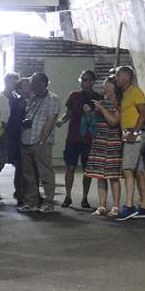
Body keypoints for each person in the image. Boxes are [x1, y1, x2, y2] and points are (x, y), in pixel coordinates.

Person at [18, 72, 61, 212]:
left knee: (45, 173)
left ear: (43, 83)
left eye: (34, 82)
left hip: (41, 142)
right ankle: (32, 201)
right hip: (26, 140)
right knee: (28, 173)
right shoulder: (32, 98)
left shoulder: (52, 99)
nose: (31, 85)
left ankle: (48, 202)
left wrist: (42, 140)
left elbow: (50, 120)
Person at [85, 76, 125, 216]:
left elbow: (114, 122)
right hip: (99, 141)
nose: (106, 89)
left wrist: (101, 108)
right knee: (100, 175)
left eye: (109, 86)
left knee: (113, 176)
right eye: (105, 86)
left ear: (116, 88)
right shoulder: (102, 102)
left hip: (113, 141)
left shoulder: (119, 103)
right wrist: (89, 113)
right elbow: (93, 123)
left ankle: (115, 206)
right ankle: (101, 205)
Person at [113, 65, 145, 220]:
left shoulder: (135, 91)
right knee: (138, 171)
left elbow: (144, 114)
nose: (116, 78)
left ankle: (128, 206)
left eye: (119, 75)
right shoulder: (124, 94)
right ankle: (144, 206)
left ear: (127, 77)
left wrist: (135, 132)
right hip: (129, 131)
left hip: (134, 131)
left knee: (127, 169)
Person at [60, 69, 98, 211]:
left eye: (86, 79)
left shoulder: (97, 98)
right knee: (70, 167)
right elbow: (68, 114)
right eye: (81, 79)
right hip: (73, 137)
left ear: (93, 82)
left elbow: (97, 119)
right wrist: (61, 120)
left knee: (87, 170)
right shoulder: (74, 96)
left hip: (88, 139)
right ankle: (68, 196)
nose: (83, 82)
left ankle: (84, 198)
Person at [0, 72, 25, 205]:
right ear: (6, 82)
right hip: (2, 132)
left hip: (14, 133)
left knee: (17, 163)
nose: (14, 86)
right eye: (12, 82)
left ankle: (19, 191)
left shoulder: (17, 98)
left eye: (16, 83)